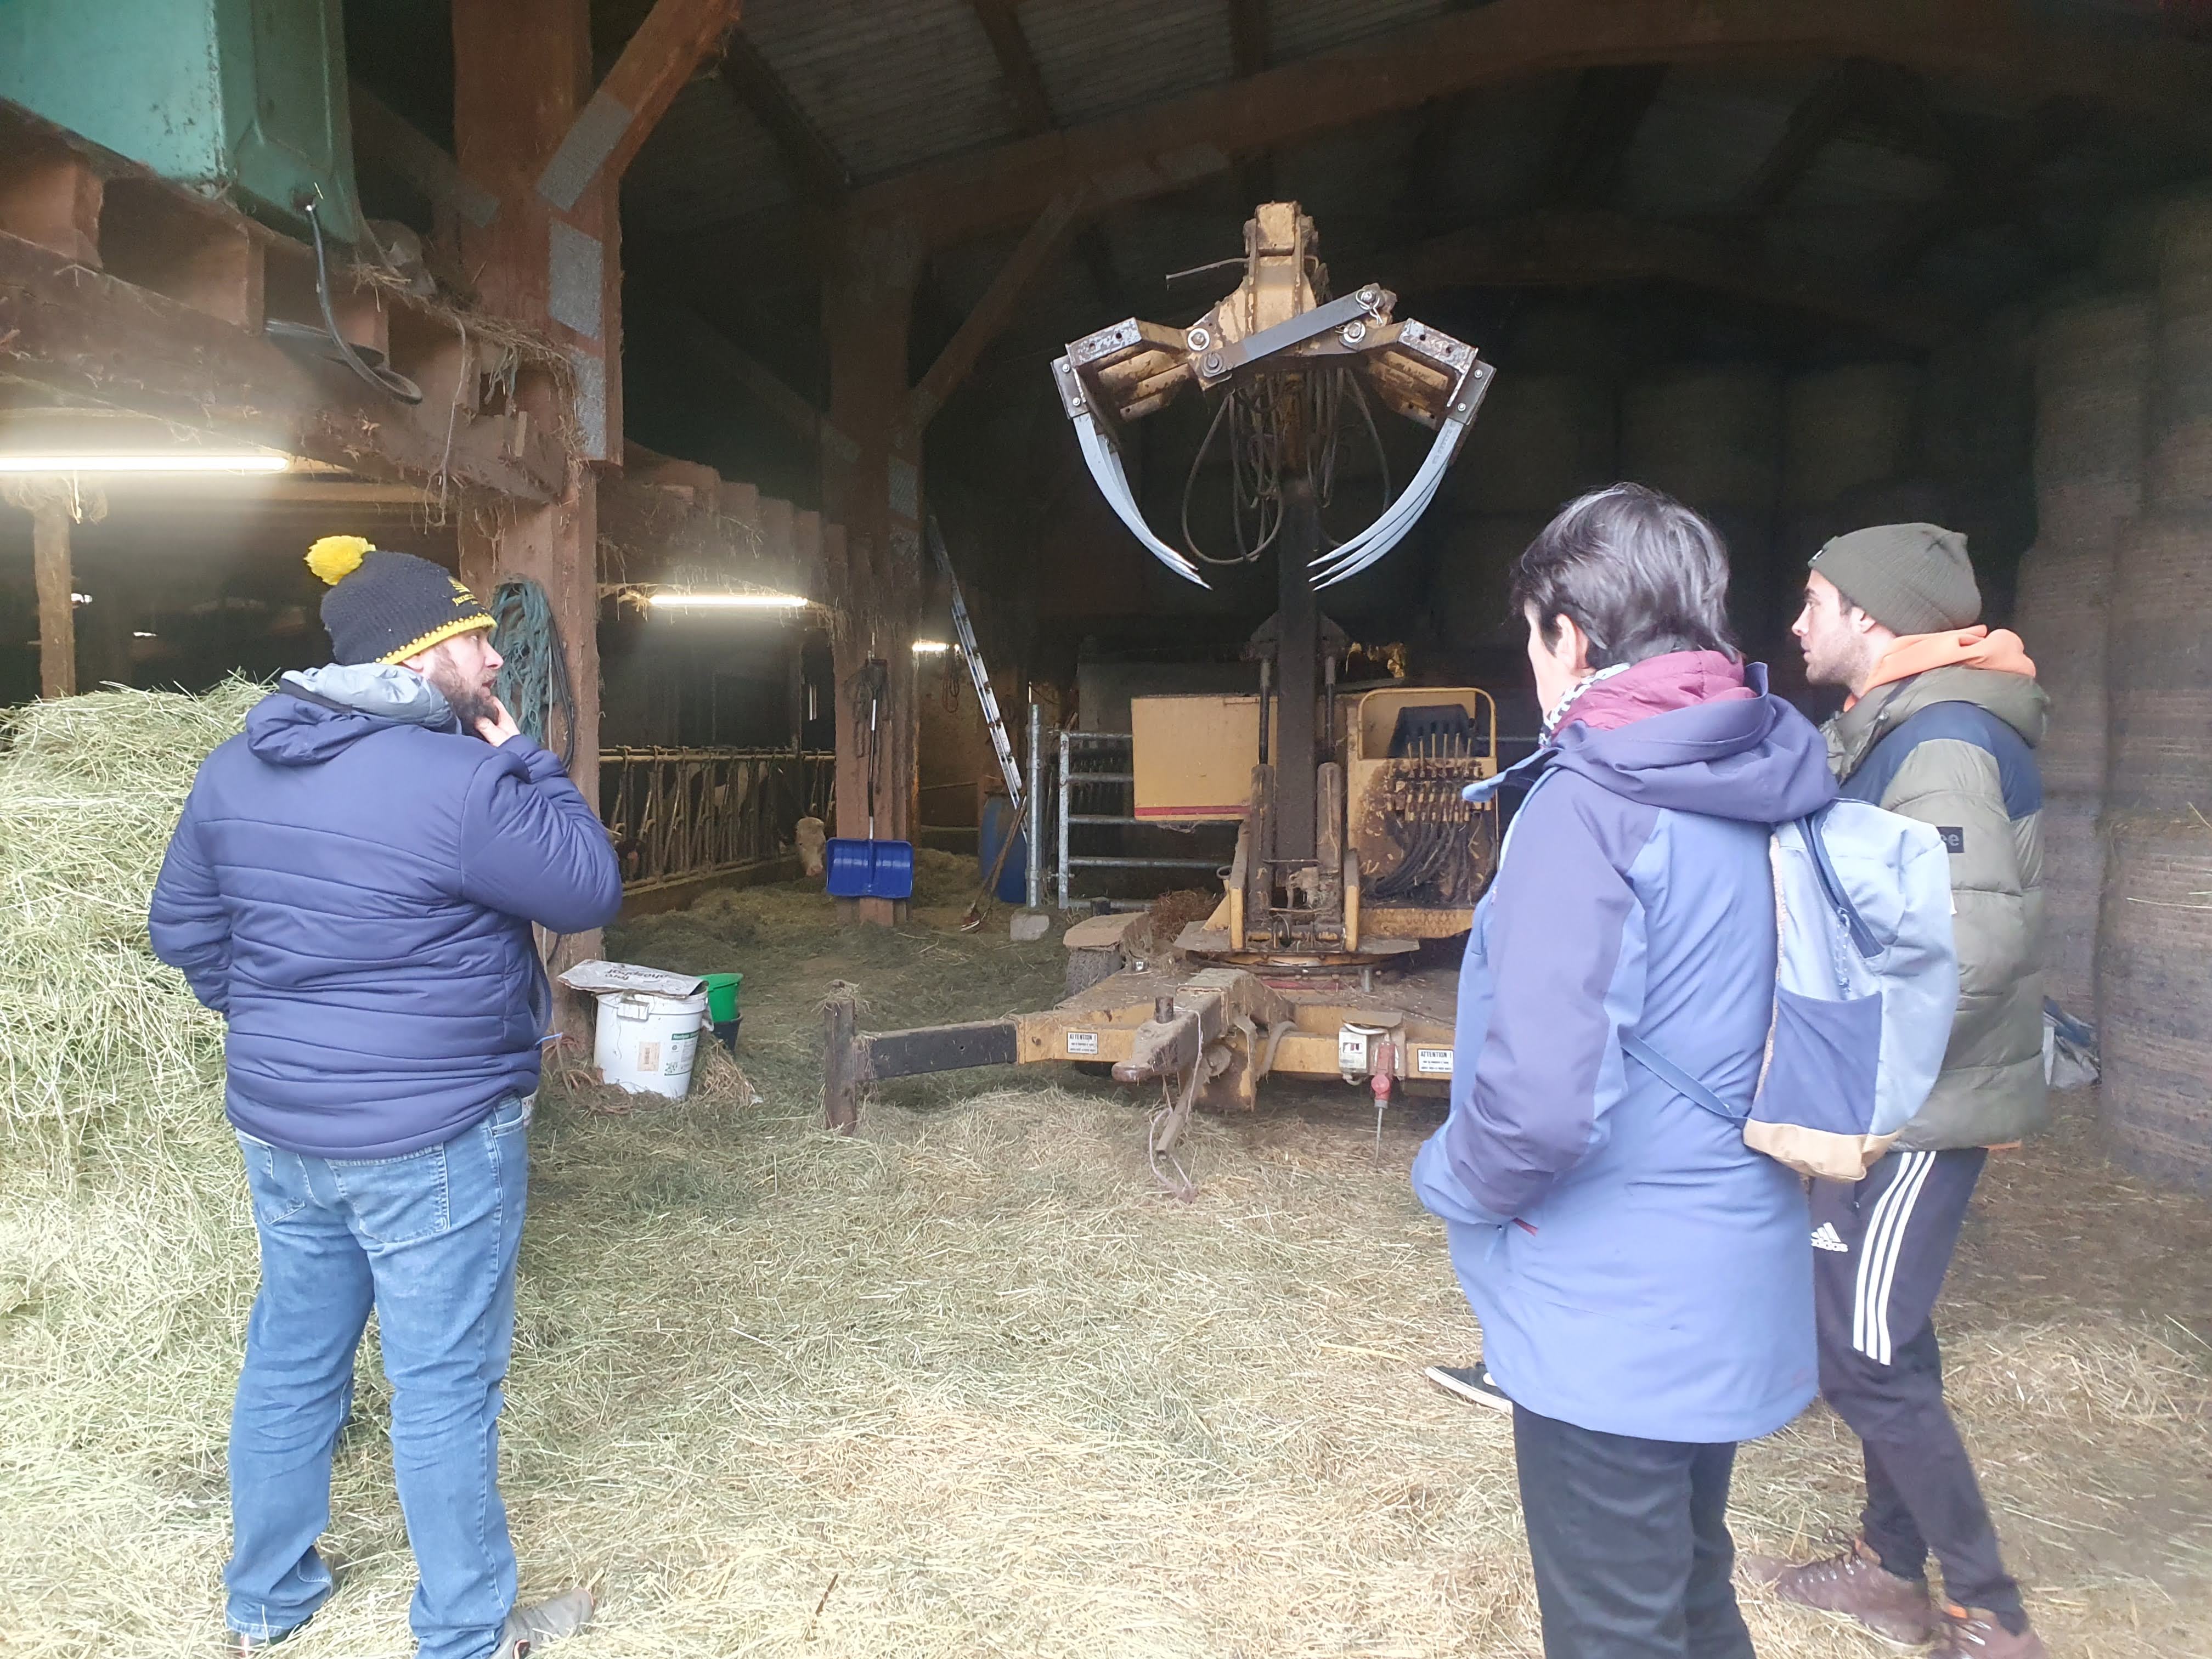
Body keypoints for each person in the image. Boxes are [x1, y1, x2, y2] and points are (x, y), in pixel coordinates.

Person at [150, 537, 624, 1659]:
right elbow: (587, 886)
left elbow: (184, 932)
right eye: (476, 644)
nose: (497, 665)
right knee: (444, 1383)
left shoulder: (233, 769)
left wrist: (278, 1026)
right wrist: (530, 765)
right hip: (435, 1135)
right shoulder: (463, 781)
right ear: (420, 661)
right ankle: (462, 1633)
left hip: (286, 1128)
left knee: (291, 1358)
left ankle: (266, 1603)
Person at [1414, 484, 1835, 1659]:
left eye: (1535, 639)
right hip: (1731, 1269)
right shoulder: (1765, 777)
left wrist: (1448, 1176)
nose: (1534, 669)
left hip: (1614, 1316)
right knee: (1692, 1600)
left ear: (1577, 637)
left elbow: (1542, 1107)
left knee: (1619, 1632)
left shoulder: (1592, 808)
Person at [1753, 524, 2050, 1659]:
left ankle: (1989, 1612)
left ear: (1873, 617)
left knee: (1867, 1353)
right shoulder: (1889, 734)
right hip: (1884, 1095)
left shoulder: (1946, 744)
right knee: (1881, 1338)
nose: (1798, 624)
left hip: (1914, 1108)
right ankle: (1889, 1569)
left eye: (1815, 600)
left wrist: (1865, 1095)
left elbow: (1965, 951)